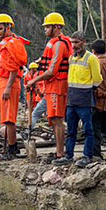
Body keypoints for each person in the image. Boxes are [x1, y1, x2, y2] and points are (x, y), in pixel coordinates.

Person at [27, 12, 72, 162]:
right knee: (53, 119)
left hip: (58, 86)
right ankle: (59, 152)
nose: (45, 29)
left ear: (57, 26)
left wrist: (34, 80)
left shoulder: (59, 44)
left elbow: (52, 70)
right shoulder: (53, 43)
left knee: (58, 119)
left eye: (48, 27)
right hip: (52, 86)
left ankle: (60, 153)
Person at [0, 13, 30, 161]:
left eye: (0, 29)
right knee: (6, 118)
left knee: (9, 119)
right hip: (5, 83)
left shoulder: (11, 44)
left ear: (8, 27)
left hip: (9, 83)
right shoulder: (7, 43)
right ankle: (10, 147)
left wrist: (8, 87)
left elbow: (14, 68)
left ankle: (12, 148)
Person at [63, 34, 102, 167]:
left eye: (76, 42)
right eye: (72, 42)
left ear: (83, 42)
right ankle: (68, 156)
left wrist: (89, 89)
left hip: (84, 100)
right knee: (71, 130)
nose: (73, 45)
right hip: (72, 99)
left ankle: (87, 156)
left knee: (88, 130)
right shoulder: (71, 58)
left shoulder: (91, 58)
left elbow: (97, 79)